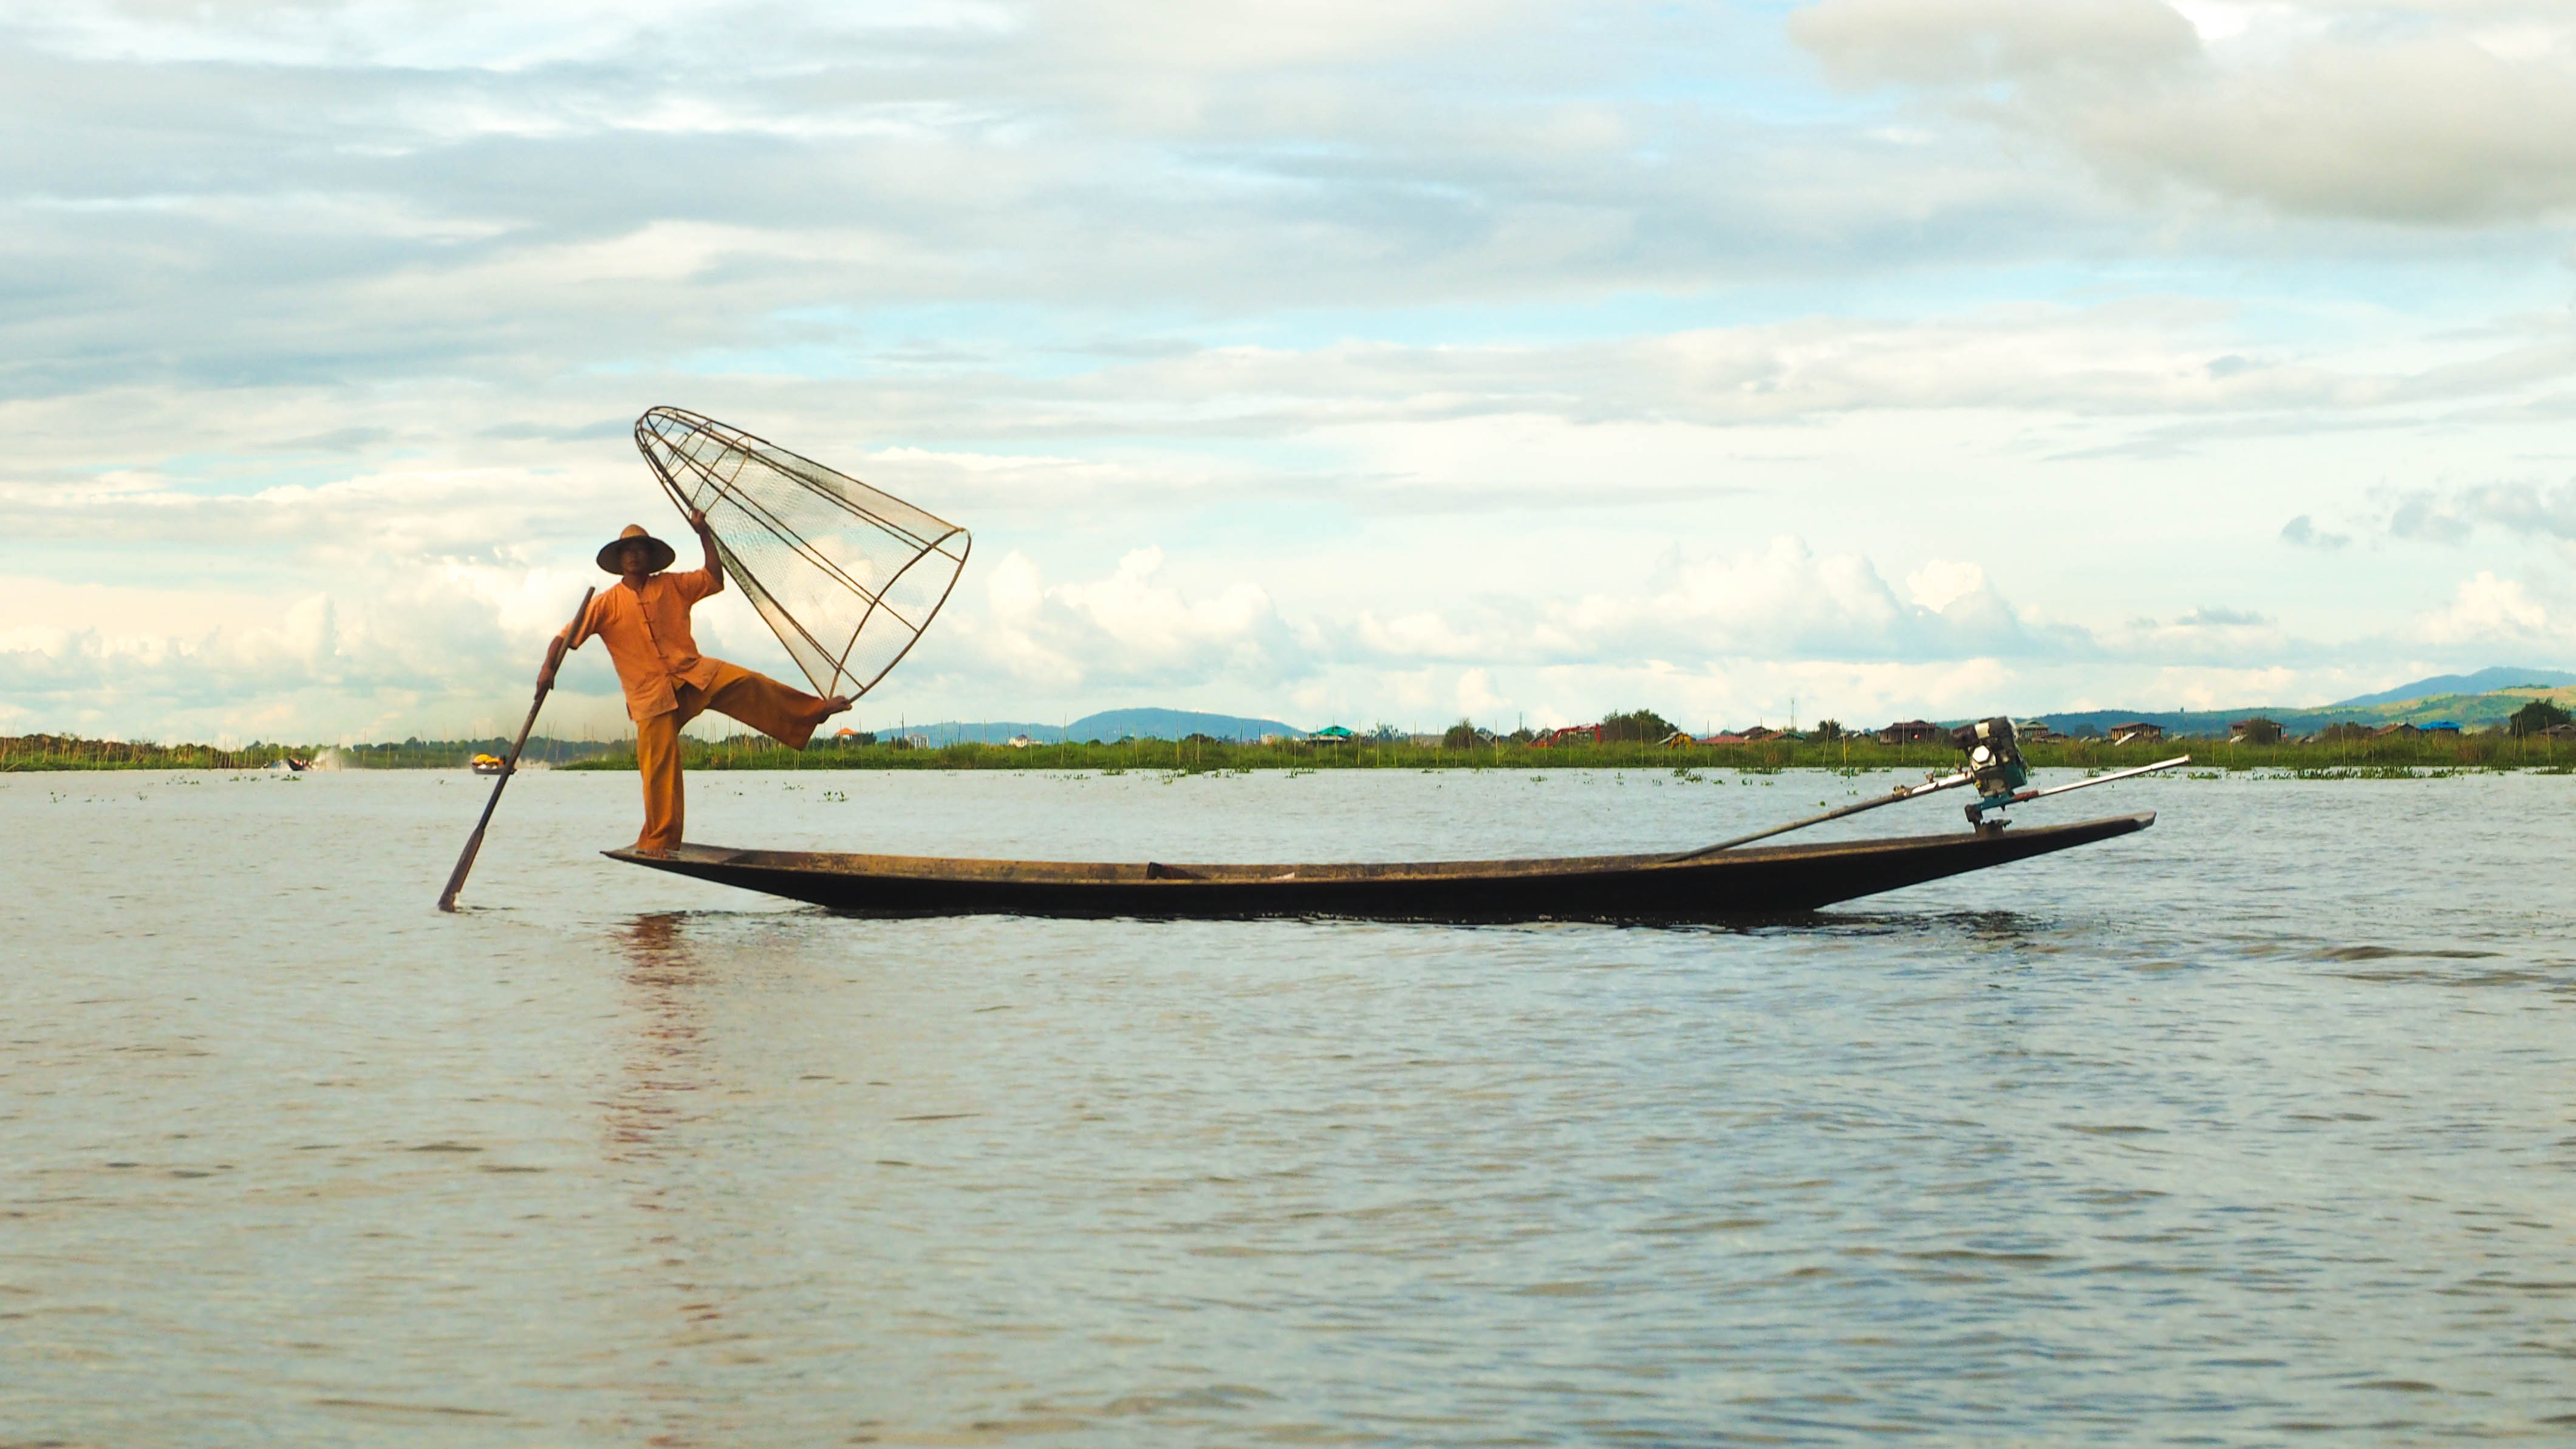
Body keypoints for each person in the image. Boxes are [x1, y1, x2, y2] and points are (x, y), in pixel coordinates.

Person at [542, 511, 850, 854]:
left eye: (640, 549)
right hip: (650, 697)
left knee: (748, 682)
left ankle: (812, 712)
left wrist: (704, 535)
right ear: (619, 559)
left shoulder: (671, 584)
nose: (633, 555)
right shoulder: (606, 604)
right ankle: (660, 839)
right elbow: (563, 637)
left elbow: (713, 578)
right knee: (659, 767)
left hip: (692, 674)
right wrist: (547, 670)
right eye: (627, 551)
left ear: (649, 556)